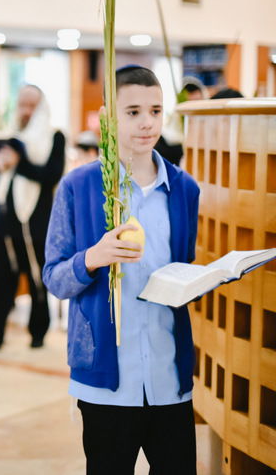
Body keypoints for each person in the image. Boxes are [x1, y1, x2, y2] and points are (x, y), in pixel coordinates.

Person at [43, 65, 200, 475]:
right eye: (132, 112)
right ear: (107, 118)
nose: (147, 123)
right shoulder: (77, 187)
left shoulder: (185, 189)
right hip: (107, 382)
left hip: (170, 377)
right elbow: (54, 278)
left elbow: (184, 268)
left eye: (155, 110)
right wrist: (92, 258)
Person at [0, 85, 66, 351]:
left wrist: (18, 161)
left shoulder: (54, 137)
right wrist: (0, 164)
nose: (25, 111)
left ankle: (37, 333)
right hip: (5, 217)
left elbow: (50, 176)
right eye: (21, 104)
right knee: (0, 279)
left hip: (35, 221)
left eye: (31, 105)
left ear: (40, 107)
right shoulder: (7, 136)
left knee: (37, 278)